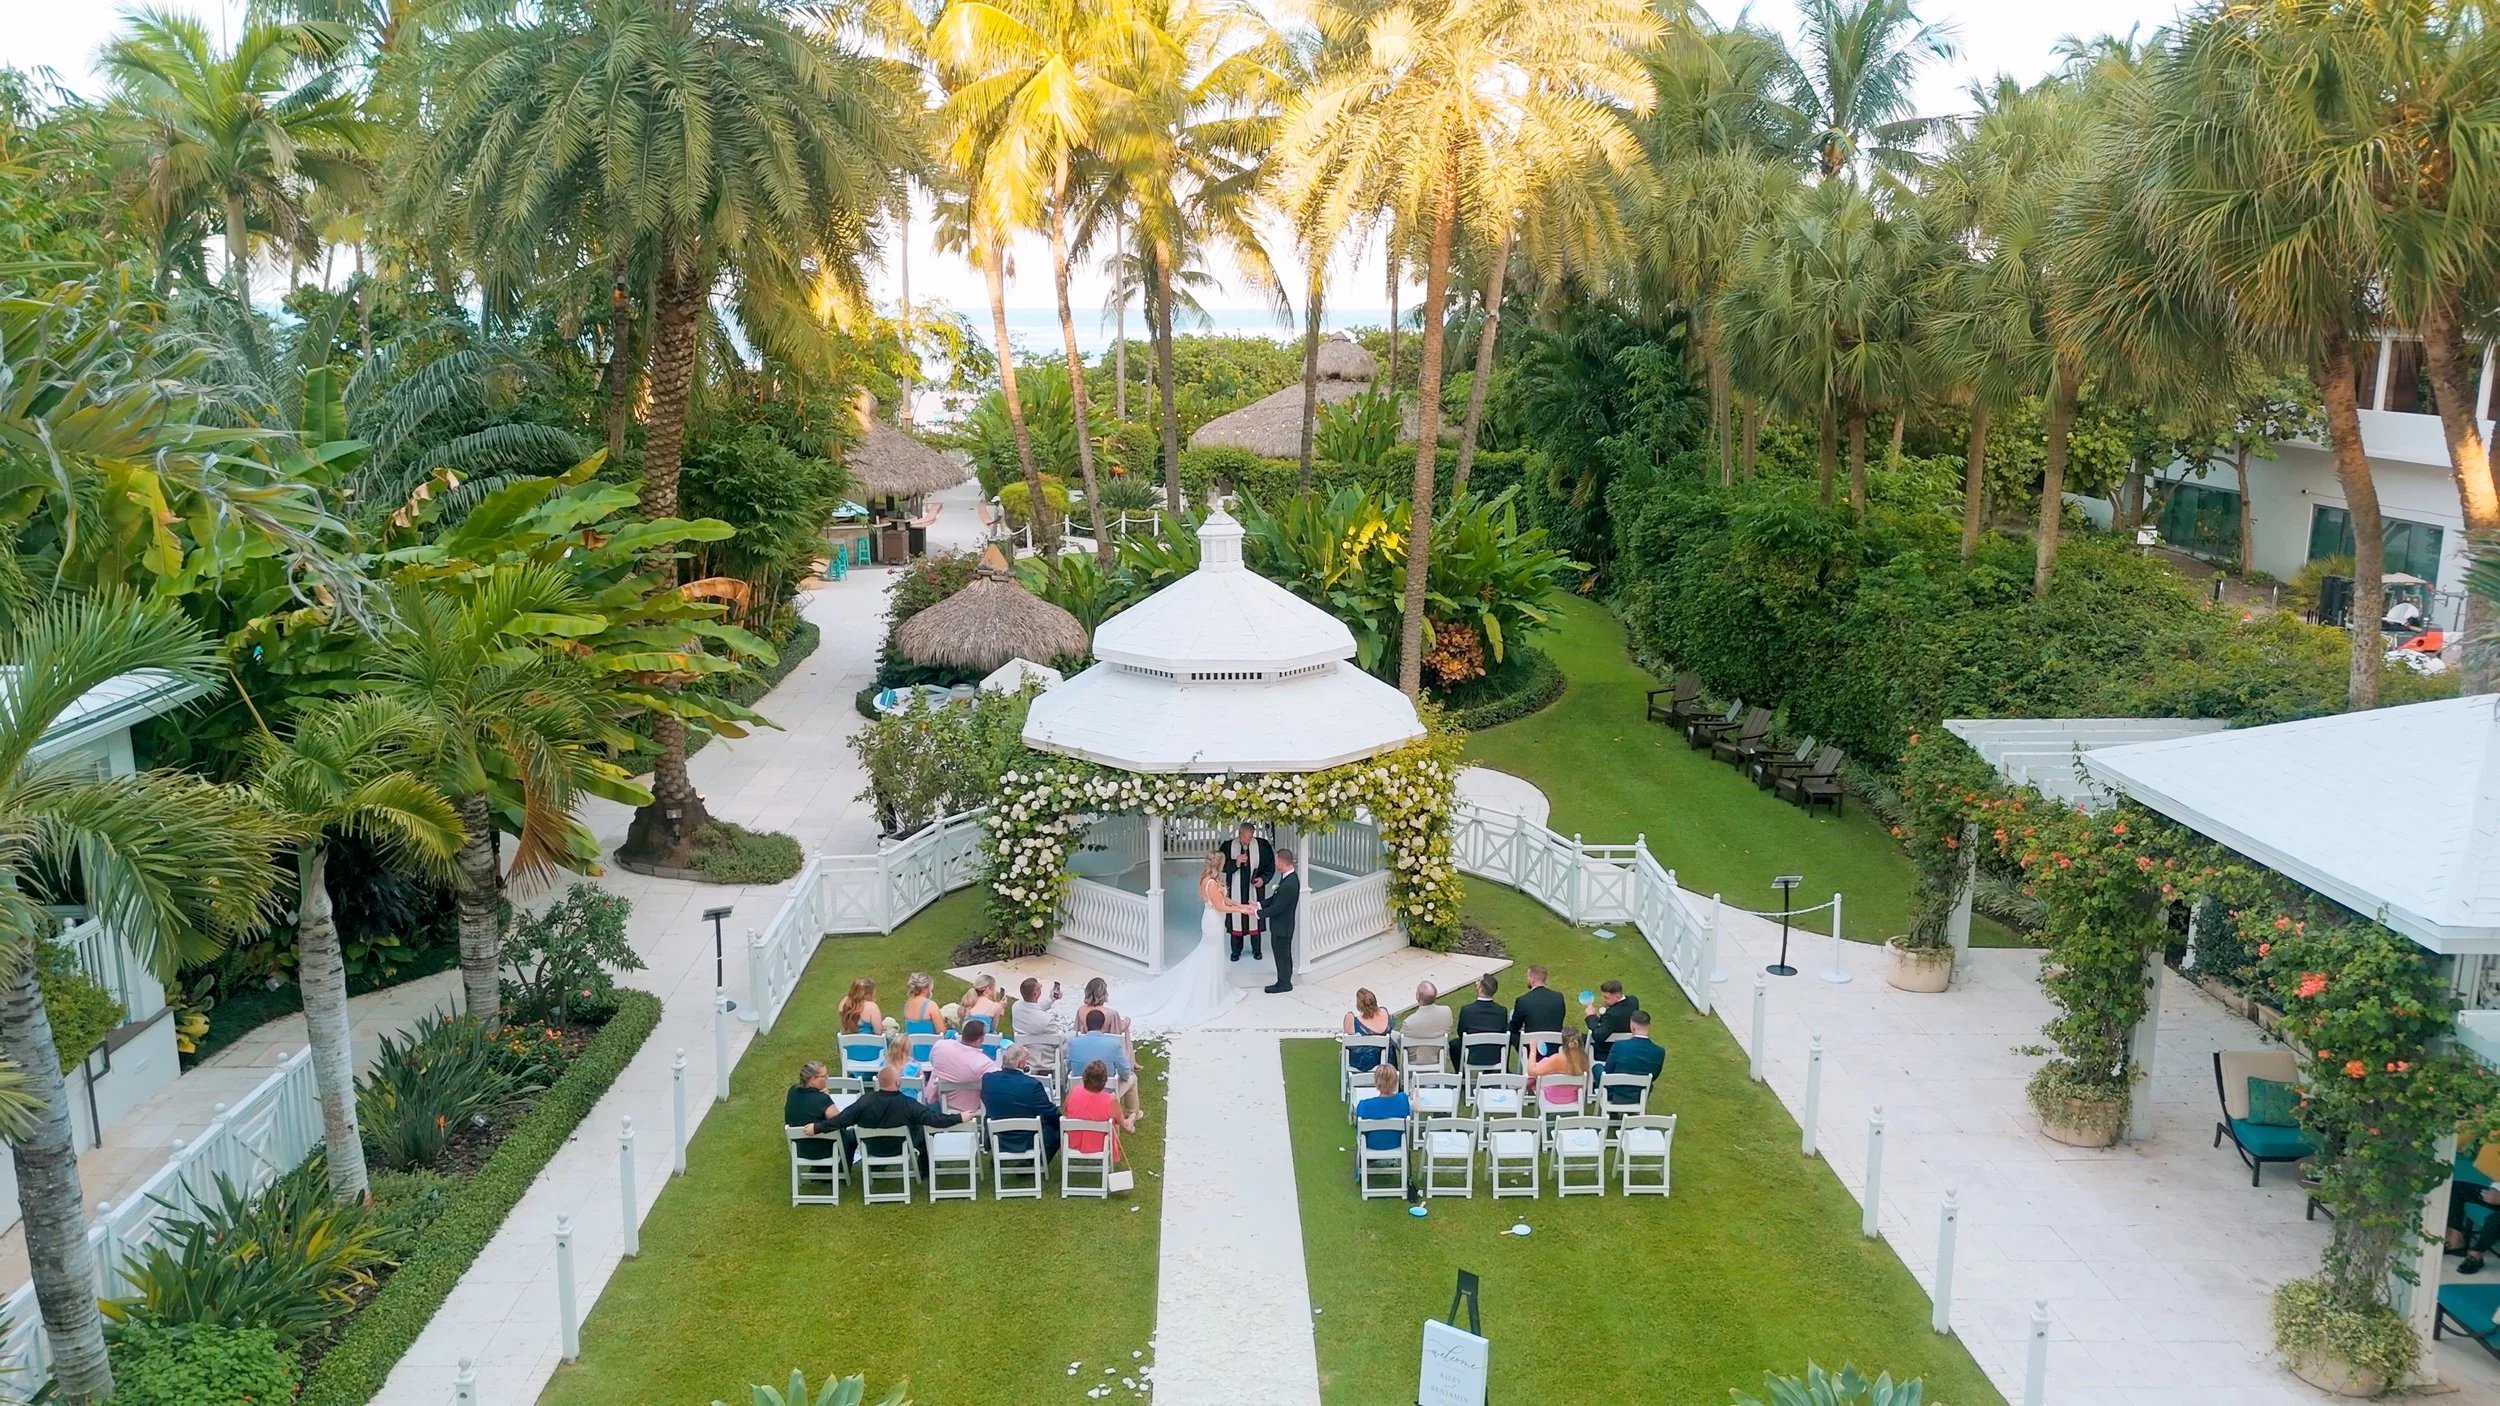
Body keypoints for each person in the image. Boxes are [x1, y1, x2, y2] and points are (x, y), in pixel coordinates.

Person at [1121, 852, 1253, 1034]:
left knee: (1212, 954)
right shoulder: (1211, 883)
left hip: (1216, 920)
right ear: (1219, 865)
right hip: (1213, 921)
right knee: (1210, 954)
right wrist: (1242, 911)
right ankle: (1207, 992)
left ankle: (1213, 985)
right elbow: (1220, 906)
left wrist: (1240, 904)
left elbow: (1224, 900)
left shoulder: (1211, 880)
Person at [821, 1064, 962, 1172]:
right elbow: (935, 1120)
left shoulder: (865, 1102)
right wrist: (960, 1117)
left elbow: (841, 1119)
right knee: (923, 1130)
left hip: (872, 1147)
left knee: (851, 1134)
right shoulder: (908, 1104)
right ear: (897, 1083)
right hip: (900, 1147)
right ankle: (926, 1170)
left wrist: (817, 1127)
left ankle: (856, 1170)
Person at [980, 1045, 1061, 1162]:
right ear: (1022, 1064)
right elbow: (1049, 1112)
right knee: (1056, 1128)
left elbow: (986, 1100)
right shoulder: (1032, 1085)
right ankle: (1032, 1163)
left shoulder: (988, 1080)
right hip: (1026, 1139)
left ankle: (998, 1158)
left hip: (997, 1136)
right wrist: (1062, 1121)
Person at [1218, 822, 1275, 963]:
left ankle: (1257, 950)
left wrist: (1263, 879)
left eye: (1250, 838)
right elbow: (1221, 866)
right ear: (1239, 834)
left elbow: (1270, 866)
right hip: (1235, 890)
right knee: (1236, 916)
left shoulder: (1262, 846)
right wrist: (1235, 863)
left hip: (1254, 889)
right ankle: (1236, 951)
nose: (1247, 841)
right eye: (1244, 837)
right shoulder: (1228, 846)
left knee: (1254, 915)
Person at [1064, 1059, 1134, 1163]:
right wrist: (1132, 1119)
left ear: (1084, 1077)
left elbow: (1066, 1112)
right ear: (1105, 1081)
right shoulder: (1111, 1101)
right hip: (1099, 1144)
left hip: (1073, 1141)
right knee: (1114, 1124)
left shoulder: (1073, 1092)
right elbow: (1123, 1124)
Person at [1065, 1008, 1133, 1115]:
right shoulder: (1114, 1045)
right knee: (1132, 1078)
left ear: (1086, 1026)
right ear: (1104, 1026)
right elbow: (1125, 1073)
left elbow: (1069, 1067)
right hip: (1104, 1090)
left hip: (1079, 1090)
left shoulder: (1073, 1043)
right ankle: (1132, 1112)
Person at [924, 1018, 999, 1114]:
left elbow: (932, 1062)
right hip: (969, 1108)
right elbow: (998, 1081)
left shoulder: (940, 1046)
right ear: (980, 1040)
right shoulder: (984, 1063)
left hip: (938, 1101)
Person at [1258, 847, 1302, 993]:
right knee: (1281, 954)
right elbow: (1275, 898)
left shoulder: (1290, 884)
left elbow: (1277, 908)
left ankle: (1284, 983)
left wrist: (1258, 913)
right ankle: (1283, 980)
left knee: (1282, 955)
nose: (1274, 863)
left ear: (1282, 862)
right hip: (1280, 925)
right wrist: (1259, 904)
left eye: (1276, 860)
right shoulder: (1286, 878)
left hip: (1283, 926)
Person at [783, 1060, 845, 1161]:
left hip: (799, 1148)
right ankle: (841, 1170)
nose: (827, 1078)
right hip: (822, 1149)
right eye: (824, 1076)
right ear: (812, 1079)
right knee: (850, 1137)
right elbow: (839, 1121)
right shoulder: (822, 1099)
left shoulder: (793, 1091)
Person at [1598, 1010, 1665, 1103]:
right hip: (1640, 1093)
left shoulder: (1619, 1045)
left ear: (1632, 1027)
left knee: (1597, 1068)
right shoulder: (1659, 1051)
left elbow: (1607, 1071)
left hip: (1616, 1092)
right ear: (1649, 1026)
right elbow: (1654, 1075)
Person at [1451, 973, 1508, 1073]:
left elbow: (1461, 1032)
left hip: (1473, 1055)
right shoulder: (1501, 1011)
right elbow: (1503, 1033)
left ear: (1480, 989)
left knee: (1454, 1044)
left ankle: (1461, 1075)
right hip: (1494, 1055)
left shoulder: (1467, 1010)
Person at [1508, 964, 1566, 1058]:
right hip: (1554, 1047)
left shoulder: (1523, 1000)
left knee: (1509, 1033)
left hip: (1532, 1049)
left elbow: (1514, 1027)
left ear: (1532, 979)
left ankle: (1504, 1068)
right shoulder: (1558, 998)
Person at [1527, 1029, 1592, 1111]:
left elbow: (1531, 1071)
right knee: (1546, 1063)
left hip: (1553, 1097)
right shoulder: (1584, 1059)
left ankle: (1528, 1083)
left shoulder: (1557, 1059)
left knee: (1542, 1064)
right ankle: (1531, 1082)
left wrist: (1533, 1050)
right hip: (1573, 1096)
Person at [1352, 1064, 1410, 1152]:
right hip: (1397, 1143)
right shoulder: (1403, 1100)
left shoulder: (1365, 1105)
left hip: (1371, 1144)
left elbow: (1358, 1126)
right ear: (1395, 1081)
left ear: (1376, 1081)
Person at [1583, 979, 1641, 1062]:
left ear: (1617, 996)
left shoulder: (1612, 1014)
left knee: (1577, 1038)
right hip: (1627, 1044)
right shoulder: (1633, 1001)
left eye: (1606, 997)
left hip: (1608, 1049)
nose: (1604, 1000)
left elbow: (1598, 1036)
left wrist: (1591, 1016)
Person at [1342, 987, 1392, 1072]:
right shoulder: (1385, 1013)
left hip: (1363, 1064)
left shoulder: (1352, 1020)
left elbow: (1348, 1042)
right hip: (1387, 1063)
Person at [1011, 976, 1067, 1043]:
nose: (1041, 988)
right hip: (1043, 1051)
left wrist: (1051, 999)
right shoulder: (1046, 1020)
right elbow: (1060, 1038)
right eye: (1039, 988)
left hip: (1021, 1047)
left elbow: (1034, 1007)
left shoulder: (1015, 1006)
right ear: (1035, 993)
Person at [1399, 981, 1453, 1048]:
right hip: (1440, 1055)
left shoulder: (1409, 1023)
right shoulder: (1446, 1011)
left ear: (1417, 996)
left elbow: (1401, 1042)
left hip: (1416, 1057)